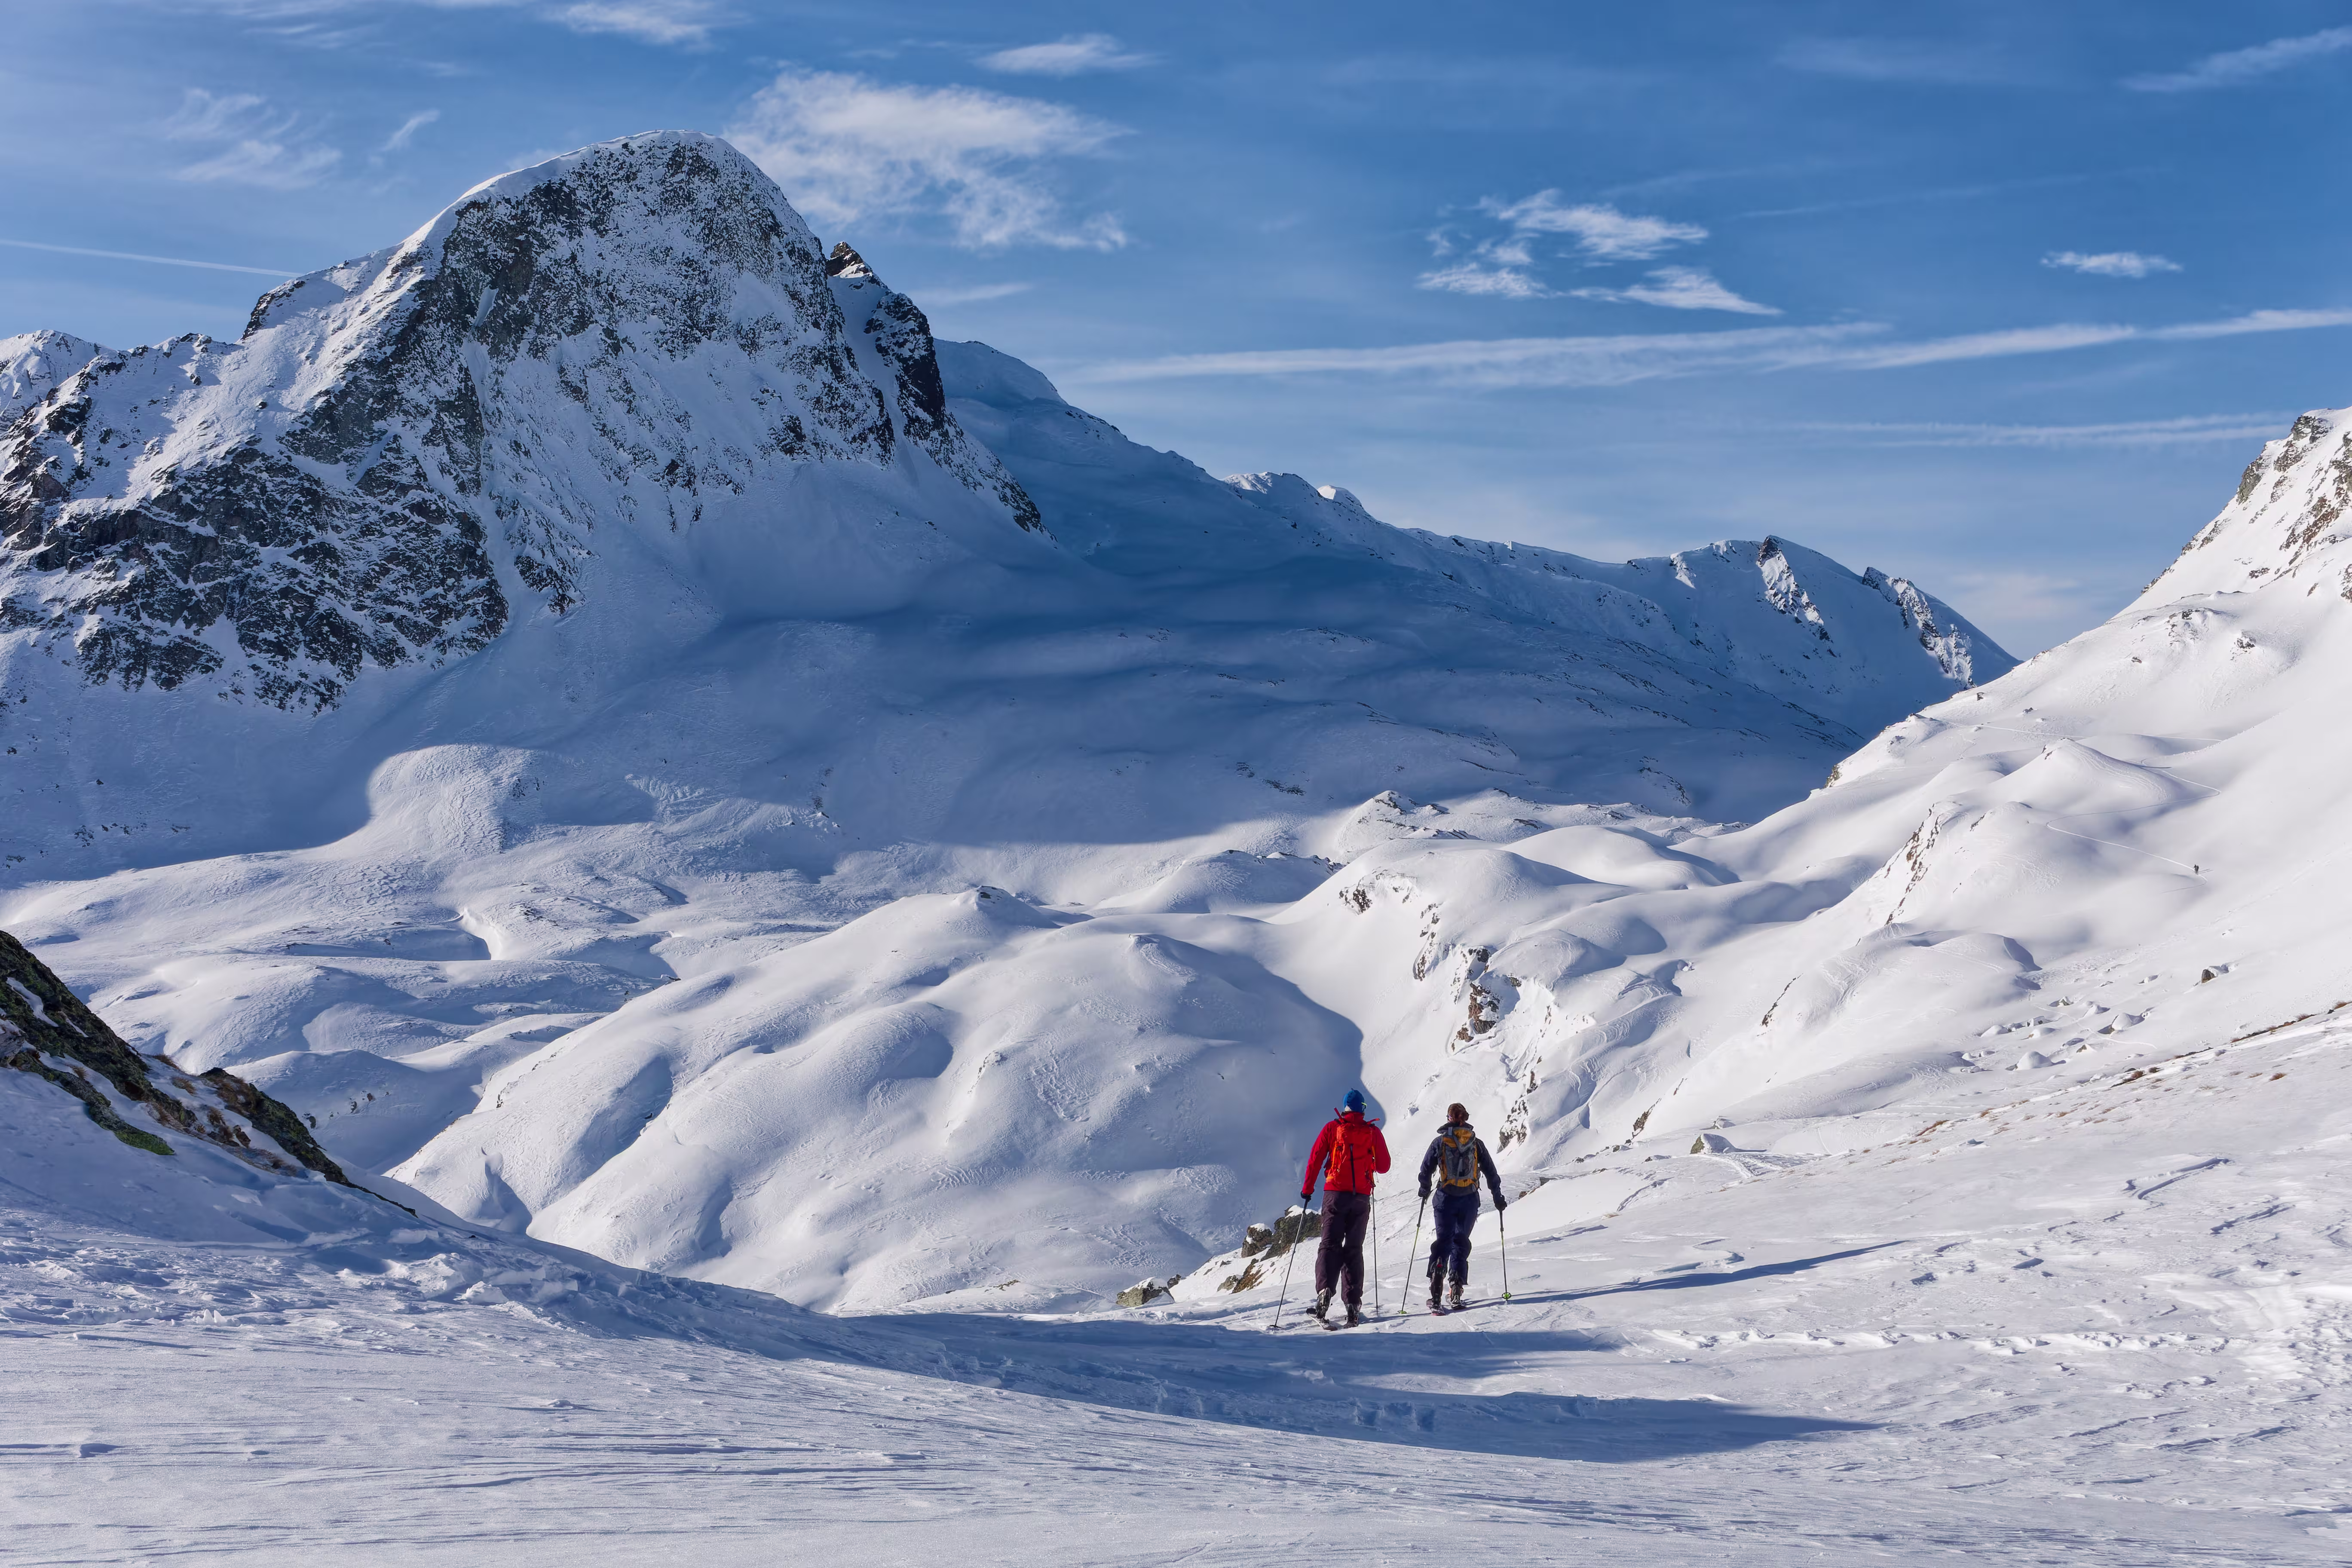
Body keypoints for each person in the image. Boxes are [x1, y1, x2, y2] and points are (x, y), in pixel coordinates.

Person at [1300, 1089, 1391, 1326]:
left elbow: (1316, 1158)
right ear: (1363, 1109)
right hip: (1360, 1197)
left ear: (1345, 1108)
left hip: (1334, 1195)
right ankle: (1353, 1305)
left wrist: (1308, 1189)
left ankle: (1324, 1294)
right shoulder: (1372, 1132)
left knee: (1329, 1245)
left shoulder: (1332, 1128)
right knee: (1353, 1249)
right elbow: (1384, 1166)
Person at [1418, 1102, 1506, 1309]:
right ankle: (1456, 1289)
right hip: (1469, 1200)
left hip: (1445, 1199)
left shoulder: (1440, 1142)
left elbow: (1426, 1170)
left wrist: (1424, 1189)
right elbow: (1491, 1173)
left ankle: (1436, 1291)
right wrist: (1497, 1196)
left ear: (1449, 1118)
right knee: (1460, 1242)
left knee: (1444, 1242)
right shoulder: (1476, 1144)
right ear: (1465, 1118)